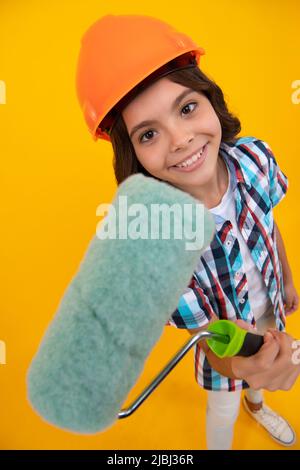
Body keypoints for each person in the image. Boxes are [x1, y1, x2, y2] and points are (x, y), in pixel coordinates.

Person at [75, 14, 300, 449]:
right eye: (148, 134)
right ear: (132, 155)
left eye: (187, 107)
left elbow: (269, 227)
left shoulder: (254, 161)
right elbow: (211, 342)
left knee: (258, 387)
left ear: (210, 98)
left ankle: (259, 403)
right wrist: (242, 366)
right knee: (223, 408)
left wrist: (286, 276)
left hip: (269, 308)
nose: (179, 140)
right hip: (225, 343)